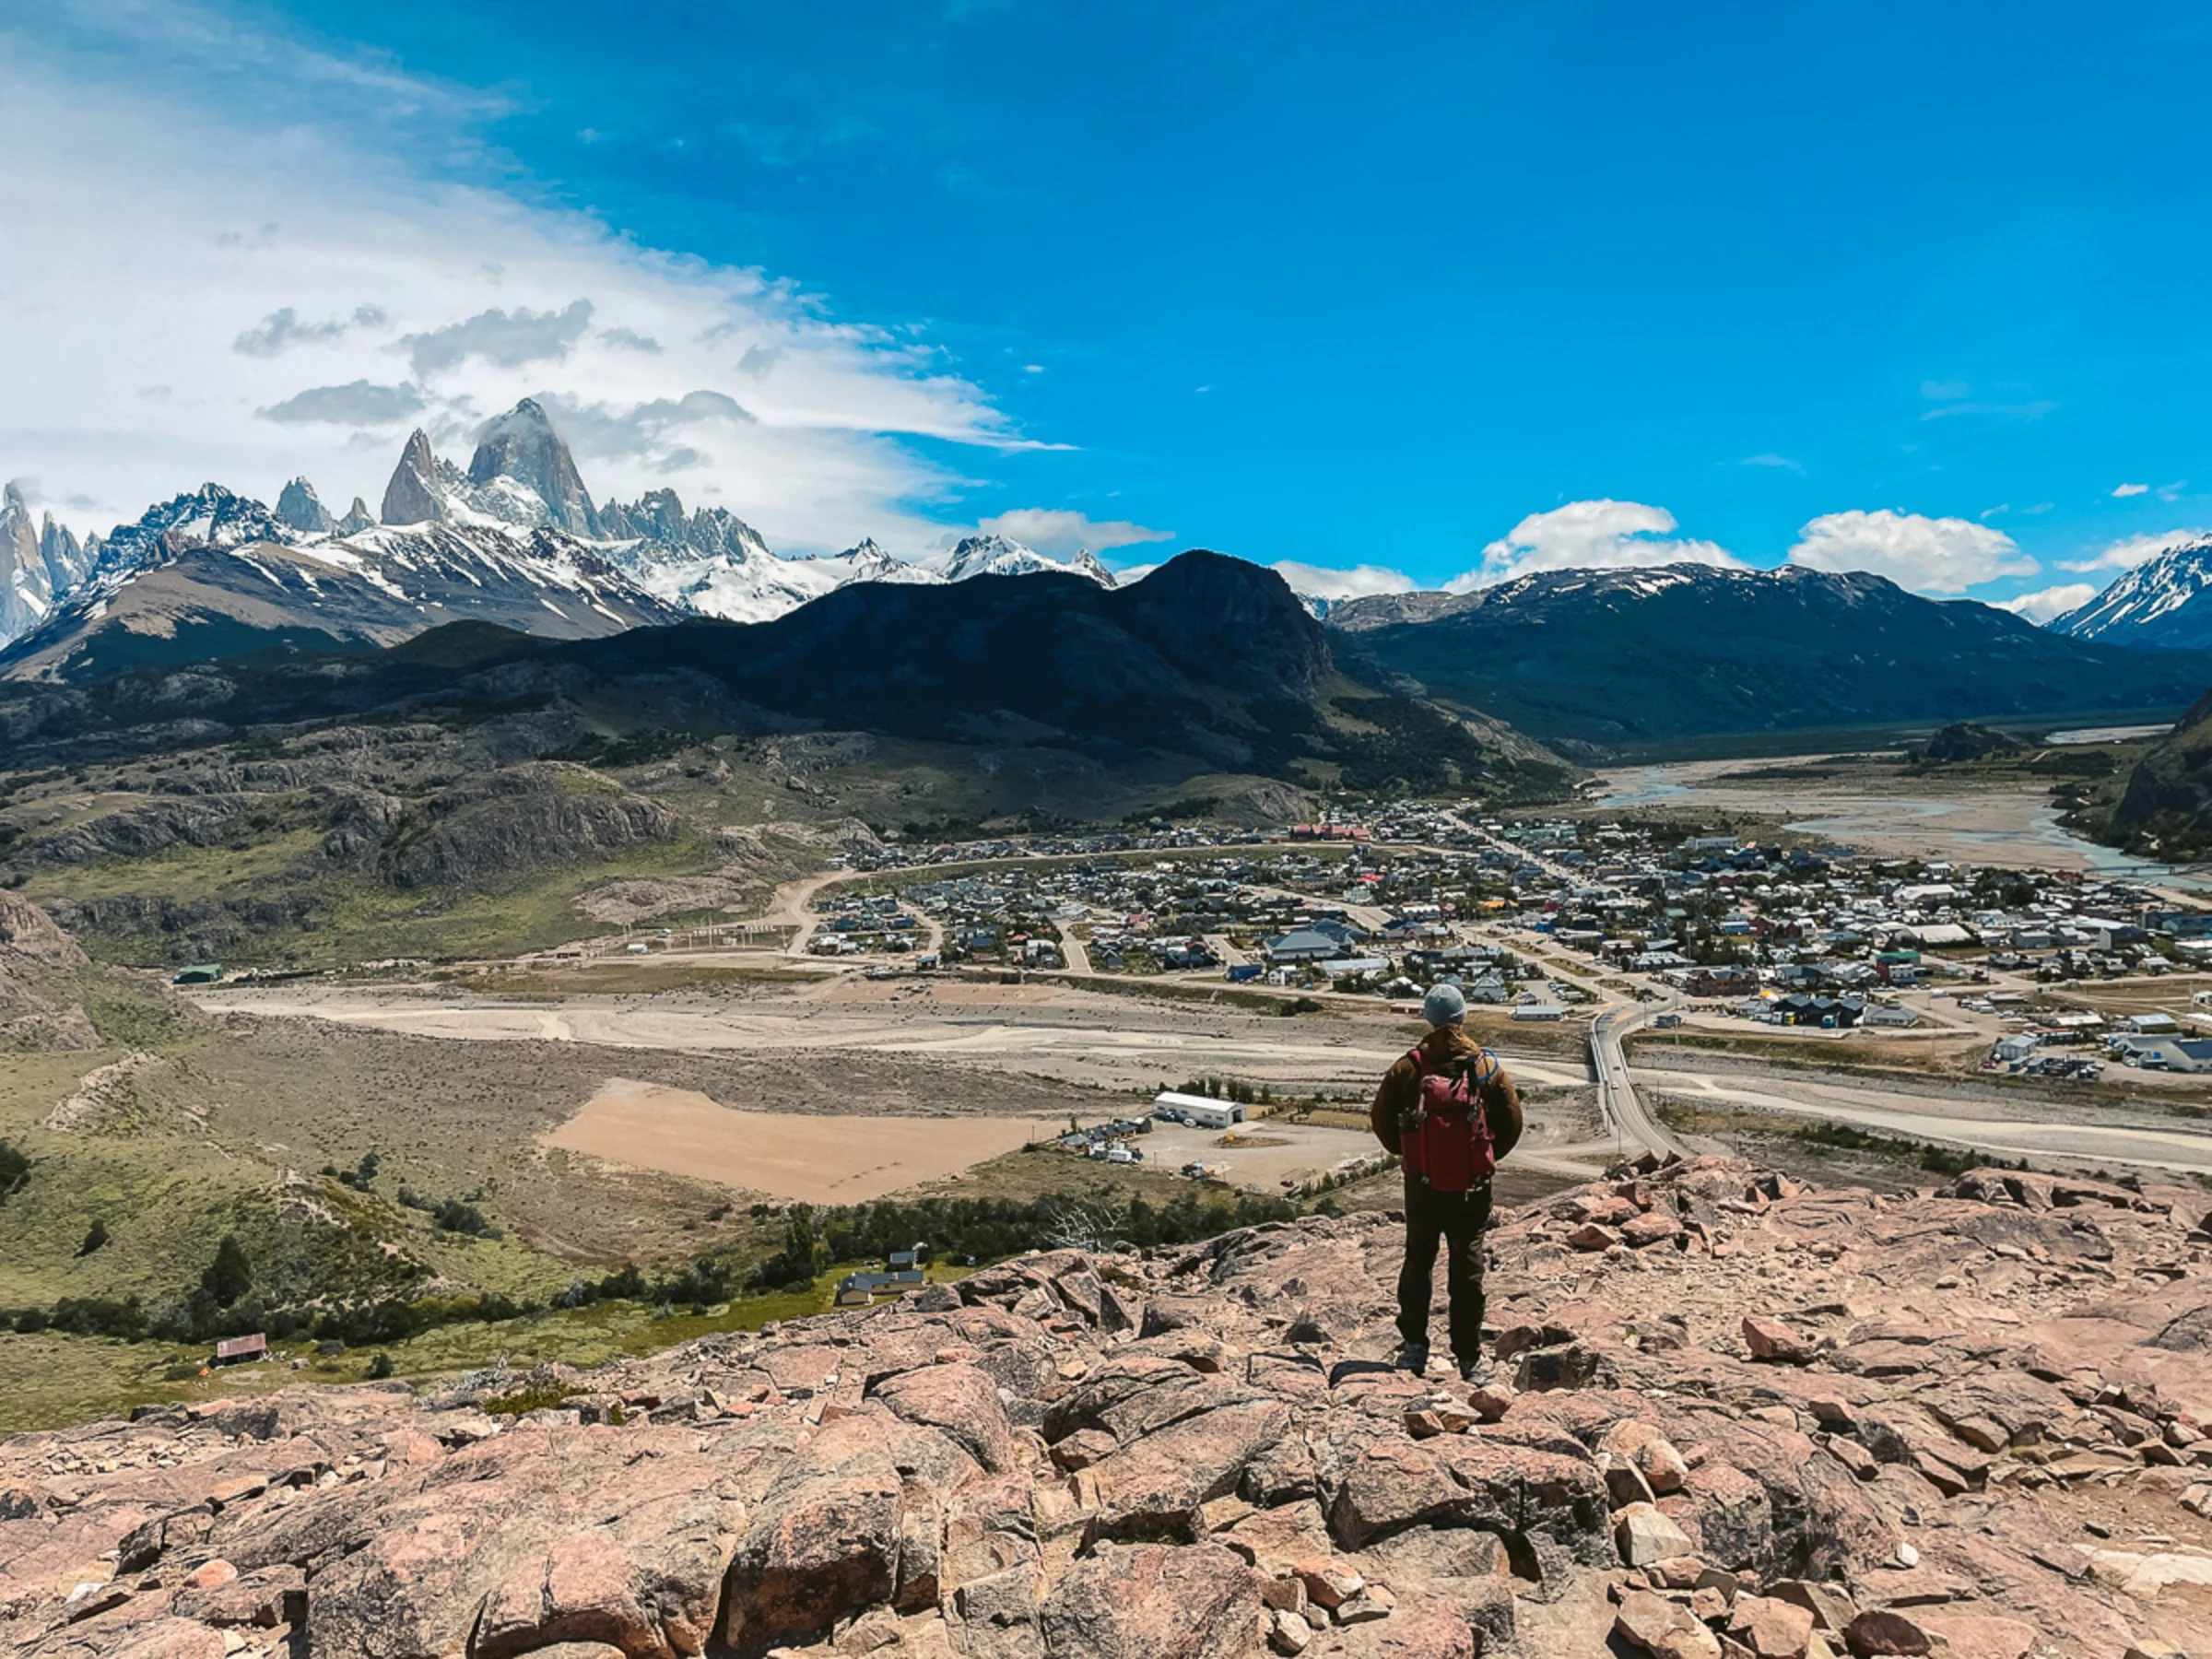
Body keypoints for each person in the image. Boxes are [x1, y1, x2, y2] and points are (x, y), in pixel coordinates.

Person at [1368, 982, 1523, 1382]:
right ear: (1463, 1017)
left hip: (1421, 1184)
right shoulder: (1486, 1067)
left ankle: (1415, 1348)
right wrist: (1481, 1158)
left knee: (1418, 1260)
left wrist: (1414, 1155)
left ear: (1427, 1018)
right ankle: (1469, 1359)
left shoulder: (1408, 1067)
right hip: (1472, 1187)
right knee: (1467, 1267)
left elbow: (1382, 1123)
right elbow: (1511, 1124)